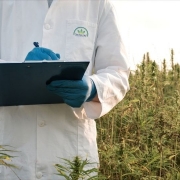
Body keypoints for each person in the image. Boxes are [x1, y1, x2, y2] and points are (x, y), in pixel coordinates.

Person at [0, 0, 130, 179]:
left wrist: (93, 88)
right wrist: (17, 73)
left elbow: (118, 73)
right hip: (11, 160)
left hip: (71, 155)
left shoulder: (99, 4)